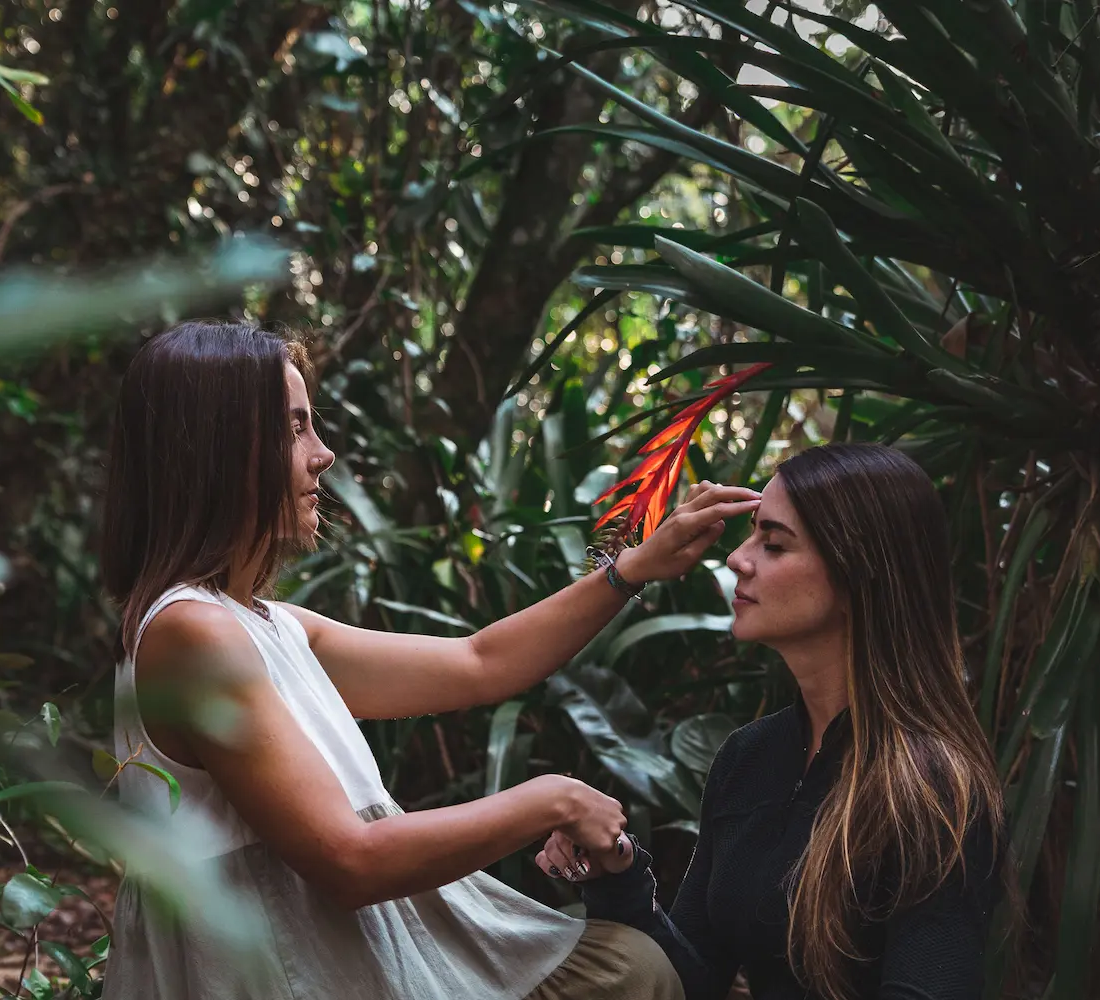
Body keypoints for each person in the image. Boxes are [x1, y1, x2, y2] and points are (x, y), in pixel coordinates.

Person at [95, 319, 762, 1000]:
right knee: (632, 973)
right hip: (285, 973)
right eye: (295, 429)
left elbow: (481, 662)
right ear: (221, 451)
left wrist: (632, 568)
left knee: (634, 967)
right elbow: (349, 861)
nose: (322, 455)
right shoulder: (193, 634)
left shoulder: (265, 626)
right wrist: (547, 800)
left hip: (339, 959)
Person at [536, 443, 1008, 1000]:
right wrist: (618, 877)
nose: (738, 558)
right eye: (752, 533)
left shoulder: (932, 788)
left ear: (859, 575)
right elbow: (690, 980)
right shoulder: (749, 757)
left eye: (774, 543)